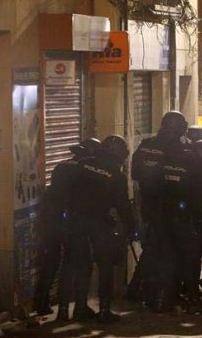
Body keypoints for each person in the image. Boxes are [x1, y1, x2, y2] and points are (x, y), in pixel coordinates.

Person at [63, 135, 136, 323]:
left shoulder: (83, 164)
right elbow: (122, 206)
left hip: (74, 221)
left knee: (80, 265)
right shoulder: (117, 176)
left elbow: (67, 190)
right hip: (98, 223)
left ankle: (78, 308)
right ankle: (104, 310)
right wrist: (132, 226)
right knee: (105, 266)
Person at [129, 111, 191, 307]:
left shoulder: (146, 145)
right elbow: (179, 178)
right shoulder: (177, 149)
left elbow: (135, 173)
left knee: (152, 248)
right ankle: (162, 296)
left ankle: (138, 289)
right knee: (169, 251)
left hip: (148, 204)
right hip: (170, 207)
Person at [35, 138, 100, 318]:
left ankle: (44, 302)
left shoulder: (61, 166)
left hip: (51, 220)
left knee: (52, 261)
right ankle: (78, 306)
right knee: (81, 264)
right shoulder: (87, 170)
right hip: (72, 222)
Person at [157, 122, 202, 314]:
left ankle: (164, 299)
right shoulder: (195, 163)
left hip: (165, 216)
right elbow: (200, 195)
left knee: (168, 258)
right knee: (191, 259)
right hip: (186, 218)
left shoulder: (166, 159)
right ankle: (192, 297)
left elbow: (156, 186)